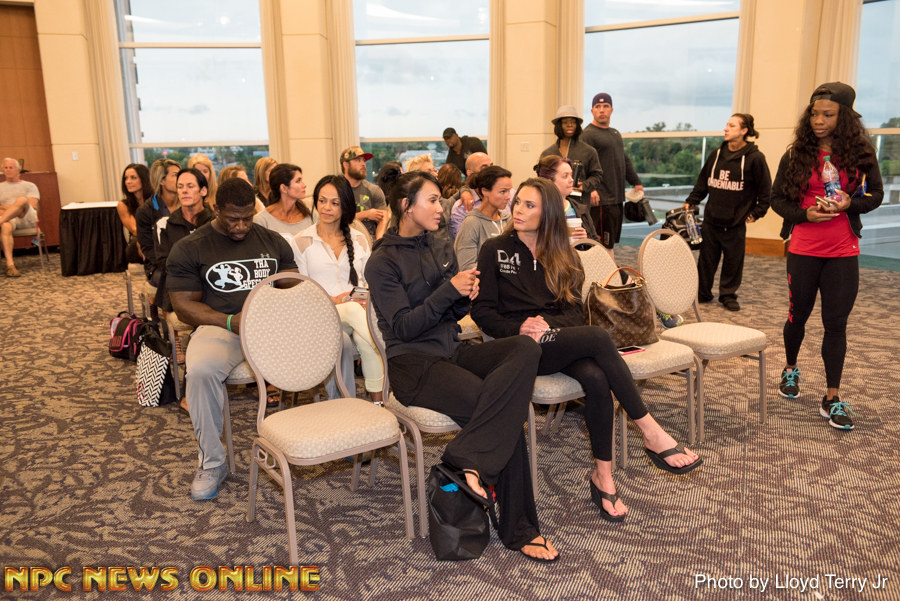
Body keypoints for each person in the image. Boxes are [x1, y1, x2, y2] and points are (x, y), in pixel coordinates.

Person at [472, 178, 702, 522]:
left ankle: (602, 476)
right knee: (596, 337)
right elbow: (482, 312)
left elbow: (574, 311)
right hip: (518, 346)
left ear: (548, 213)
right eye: (518, 202)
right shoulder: (495, 250)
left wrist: (548, 326)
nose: (518, 210)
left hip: (556, 340)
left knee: (596, 378)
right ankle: (650, 430)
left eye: (529, 205)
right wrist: (520, 327)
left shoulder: (563, 254)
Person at [365, 171, 559, 563]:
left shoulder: (439, 244)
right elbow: (404, 327)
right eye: (432, 200)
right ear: (406, 206)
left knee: (525, 348)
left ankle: (465, 458)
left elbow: (451, 315)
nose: (441, 207)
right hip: (414, 366)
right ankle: (521, 530)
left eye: (439, 200)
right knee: (502, 411)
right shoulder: (381, 262)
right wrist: (448, 291)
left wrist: (465, 296)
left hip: (451, 351)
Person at [167, 178, 298, 500]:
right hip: (220, 326)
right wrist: (229, 321)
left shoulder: (272, 241)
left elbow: (293, 285)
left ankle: (336, 437)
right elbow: (182, 305)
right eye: (232, 219)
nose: (241, 226)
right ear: (216, 209)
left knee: (339, 345)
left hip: (269, 326)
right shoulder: (191, 246)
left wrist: (284, 308)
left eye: (247, 218)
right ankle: (212, 463)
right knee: (200, 372)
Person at [771, 82, 883, 431]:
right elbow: (777, 200)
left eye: (828, 114)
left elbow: (876, 195)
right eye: (814, 114)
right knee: (798, 316)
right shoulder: (796, 155)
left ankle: (832, 396)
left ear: (844, 117)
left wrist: (851, 202)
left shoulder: (861, 154)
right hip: (804, 249)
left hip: (843, 251)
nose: (818, 120)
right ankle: (790, 369)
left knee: (836, 324)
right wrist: (804, 214)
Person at [294, 175, 383, 404]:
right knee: (362, 322)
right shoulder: (302, 241)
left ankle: (378, 403)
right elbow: (302, 290)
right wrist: (336, 300)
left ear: (345, 206)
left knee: (365, 340)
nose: (326, 207)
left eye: (335, 203)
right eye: (322, 200)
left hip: (357, 311)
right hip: (320, 314)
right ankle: (386, 346)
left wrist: (355, 297)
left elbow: (369, 284)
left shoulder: (359, 239)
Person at [683, 113, 772, 312]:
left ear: (744, 131)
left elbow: (766, 191)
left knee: (733, 262)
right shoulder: (716, 155)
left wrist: (757, 212)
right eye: (727, 125)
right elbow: (702, 182)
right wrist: (691, 200)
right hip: (712, 219)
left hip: (735, 222)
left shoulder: (755, 158)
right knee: (706, 261)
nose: (726, 128)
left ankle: (728, 295)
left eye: (732, 126)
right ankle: (702, 293)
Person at [580, 93, 643, 252]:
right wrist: (590, 189)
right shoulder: (587, 134)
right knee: (599, 245)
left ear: (611, 110)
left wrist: (636, 182)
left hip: (616, 198)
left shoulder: (615, 133)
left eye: (605, 106)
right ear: (592, 111)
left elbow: (624, 159)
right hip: (600, 200)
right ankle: (606, 269)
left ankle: (611, 268)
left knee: (611, 244)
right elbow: (581, 164)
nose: (602, 110)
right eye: (598, 107)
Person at [539, 105, 603, 225]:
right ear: (559, 126)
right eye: (565, 122)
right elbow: (541, 181)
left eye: (573, 122)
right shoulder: (547, 153)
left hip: (579, 205)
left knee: (579, 234)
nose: (570, 125)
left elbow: (597, 175)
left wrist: (584, 185)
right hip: (553, 206)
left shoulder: (589, 151)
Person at [454, 166, 513, 271]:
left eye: (509, 191)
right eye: (503, 192)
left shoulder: (508, 220)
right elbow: (467, 267)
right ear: (485, 191)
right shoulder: (472, 223)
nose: (508, 197)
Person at [136, 158, 180, 290]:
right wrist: (171, 265)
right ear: (162, 181)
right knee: (174, 281)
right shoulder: (145, 211)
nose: (181, 178)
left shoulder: (187, 204)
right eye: (175, 175)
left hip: (186, 262)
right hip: (158, 266)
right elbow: (148, 248)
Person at [533, 155, 594, 241]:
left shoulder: (580, 209)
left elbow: (596, 243)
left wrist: (586, 239)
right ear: (549, 182)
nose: (572, 180)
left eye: (571, 175)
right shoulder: (537, 211)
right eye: (565, 176)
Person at [0, 157, 40, 277]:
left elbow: (32, 205)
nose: (8, 170)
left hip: (27, 217)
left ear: (18, 170)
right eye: (6, 167)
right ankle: (10, 265)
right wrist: (13, 209)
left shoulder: (29, 186)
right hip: (8, 218)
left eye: (11, 167)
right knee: (5, 226)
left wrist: (7, 207)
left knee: (22, 200)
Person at [340, 146, 388, 240]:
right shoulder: (336, 191)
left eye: (364, 161)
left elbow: (383, 218)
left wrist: (379, 241)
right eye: (358, 160)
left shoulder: (374, 190)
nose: (363, 164)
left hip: (370, 241)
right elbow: (337, 220)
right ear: (346, 165)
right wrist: (365, 214)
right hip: (343, 241)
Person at [253, 163, 313, 236]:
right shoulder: (261, 220)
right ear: (284, 188)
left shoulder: (311, 215)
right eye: (298, 181)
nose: (304, 185)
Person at [448, 152, 493, 239]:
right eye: (484, 168)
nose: (491, 171)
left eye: (491, 166)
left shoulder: (508, 195)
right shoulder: (461, 207)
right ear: (470, 173)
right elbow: (463, 242)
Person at [117, 164, 152, 264]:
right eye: (126, 178)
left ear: (144, 179)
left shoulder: (155, 200)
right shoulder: (123, 205)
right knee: (135, 244)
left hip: (157, 237)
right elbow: (135, 230)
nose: (128, 182)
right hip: (140, 240)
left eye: (133, 178)